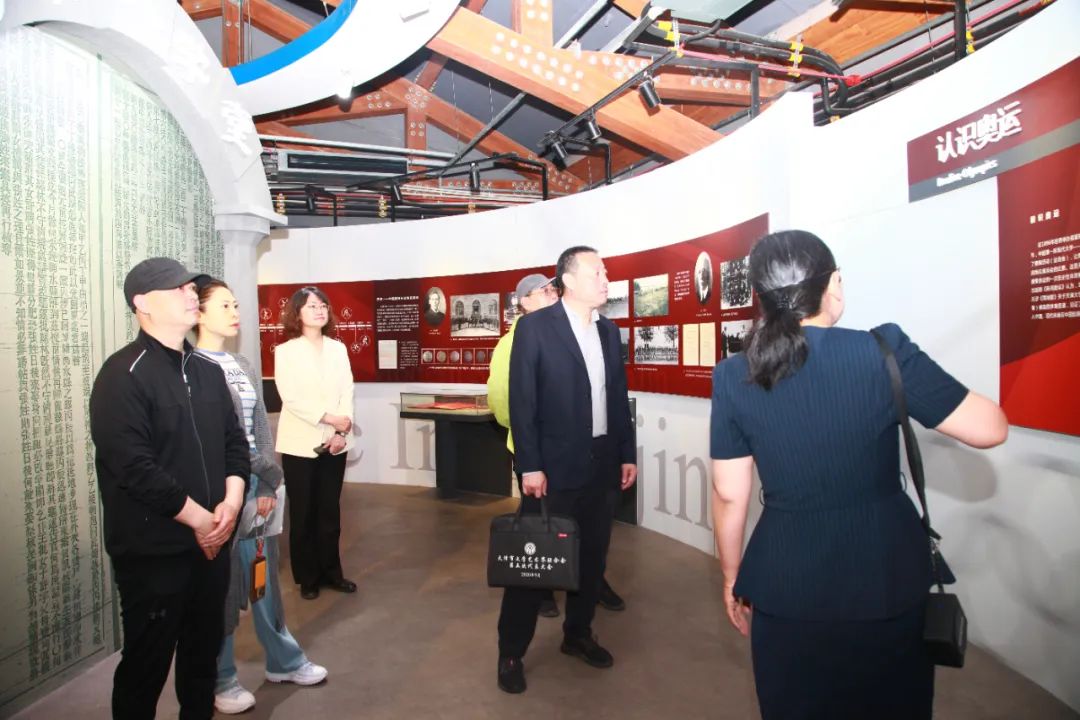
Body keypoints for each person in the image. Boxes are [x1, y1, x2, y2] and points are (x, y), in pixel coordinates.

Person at [709, 230, 1008, 720]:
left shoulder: (733, 374)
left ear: (761, 300)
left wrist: (730, 576)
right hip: (886, 572)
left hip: (786, 581)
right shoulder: (883, 352)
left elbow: (728, 493)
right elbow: (991, 429)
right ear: (834, 285)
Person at [89, 257, 250, 719]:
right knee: (147, 664)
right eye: (177, 288)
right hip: (155, 552)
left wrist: (231, 503)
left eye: (191, 288)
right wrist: (202, 520)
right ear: (142, 303)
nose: (189, 295)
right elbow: (134, 467)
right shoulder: (122, 375)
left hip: (212, 544)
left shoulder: (207, 371)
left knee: (202, 659)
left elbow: (234, 444)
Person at [497, 247, 637, 694]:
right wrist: (530, 466)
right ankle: (511, 652)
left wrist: (626, 452)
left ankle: (577, 634)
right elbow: (523, 402)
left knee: (592, 559)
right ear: (569, 280)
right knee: (532, 563)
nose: (606, 279)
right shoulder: (535, 328)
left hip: (602, 465)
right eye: (598, 272)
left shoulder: (609, 331)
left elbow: (617, 398)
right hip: (553, 470)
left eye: (605, 272)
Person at [194, 279, 328, 715]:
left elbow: (259, 431)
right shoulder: (190, 367)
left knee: (261, 577)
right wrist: (259, 475)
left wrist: (268, 484)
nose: (236, 312)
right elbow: (220, 441)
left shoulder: (241, 363)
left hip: (258, 487)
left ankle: (283, 660)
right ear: (198, 312)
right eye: (225, 305)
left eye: (236, 304)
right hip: (221, 491)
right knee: (223, 586)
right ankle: (221, 677)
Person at [488, 273, 627, 621]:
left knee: (589, 534)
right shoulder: (518, 338)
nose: (552, 293)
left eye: (553, 288)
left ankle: (586, 595)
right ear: (524, 301)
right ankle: (540, 593)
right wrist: (531, 450)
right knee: (540, 532)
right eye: (544, 290)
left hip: (585, 457)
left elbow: (605, 395)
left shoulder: (593, 331)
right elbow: (507, 403)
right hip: (539, 455)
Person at [274, 286, 357, 600]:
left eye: (323, 305)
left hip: (335, 441)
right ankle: (307, 578)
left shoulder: (338, 348)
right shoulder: (286, 351)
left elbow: (347, 390)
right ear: (297, 313)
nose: (319, 310)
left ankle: (332, 573)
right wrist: (329, 418)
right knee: (304, 513)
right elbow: (291, 397)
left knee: (329, 513)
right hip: (299, 443)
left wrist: (341, 430)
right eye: (311, 306)